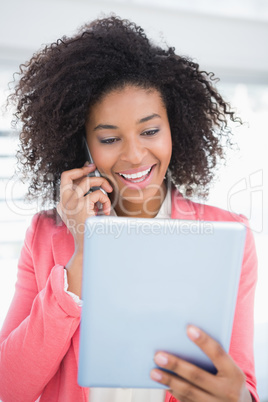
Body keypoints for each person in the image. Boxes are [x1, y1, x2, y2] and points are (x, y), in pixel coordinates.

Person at [0, 15, 258, 402]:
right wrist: (84, 254)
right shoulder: (45, 234)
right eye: (109, 138)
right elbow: (9, 386)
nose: (135, 155)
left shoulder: (230, 237)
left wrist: (236, 397)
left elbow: (242, 386)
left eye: (150, 131)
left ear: (176, 127)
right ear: (82, 145)